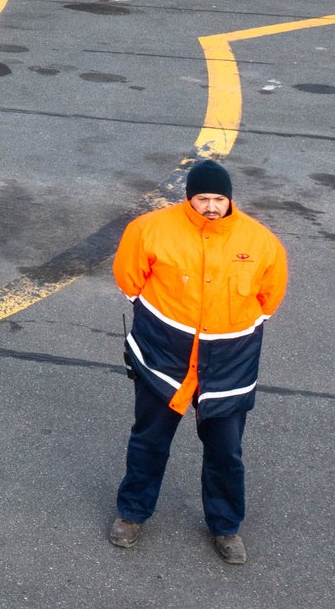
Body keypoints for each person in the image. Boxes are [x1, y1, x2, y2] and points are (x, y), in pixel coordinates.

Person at [110, 158, 288, 564]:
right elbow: (129, 279)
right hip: (163, 360)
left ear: (230, 199)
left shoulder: (262, 243)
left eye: (218, 199)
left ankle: (226, 528)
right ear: (189, 198)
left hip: (229, 366)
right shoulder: (149, 230)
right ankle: (132, 514)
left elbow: (268, 300)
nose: (211, 206)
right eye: (203, 198)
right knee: (149, 441)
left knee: (226, 450)